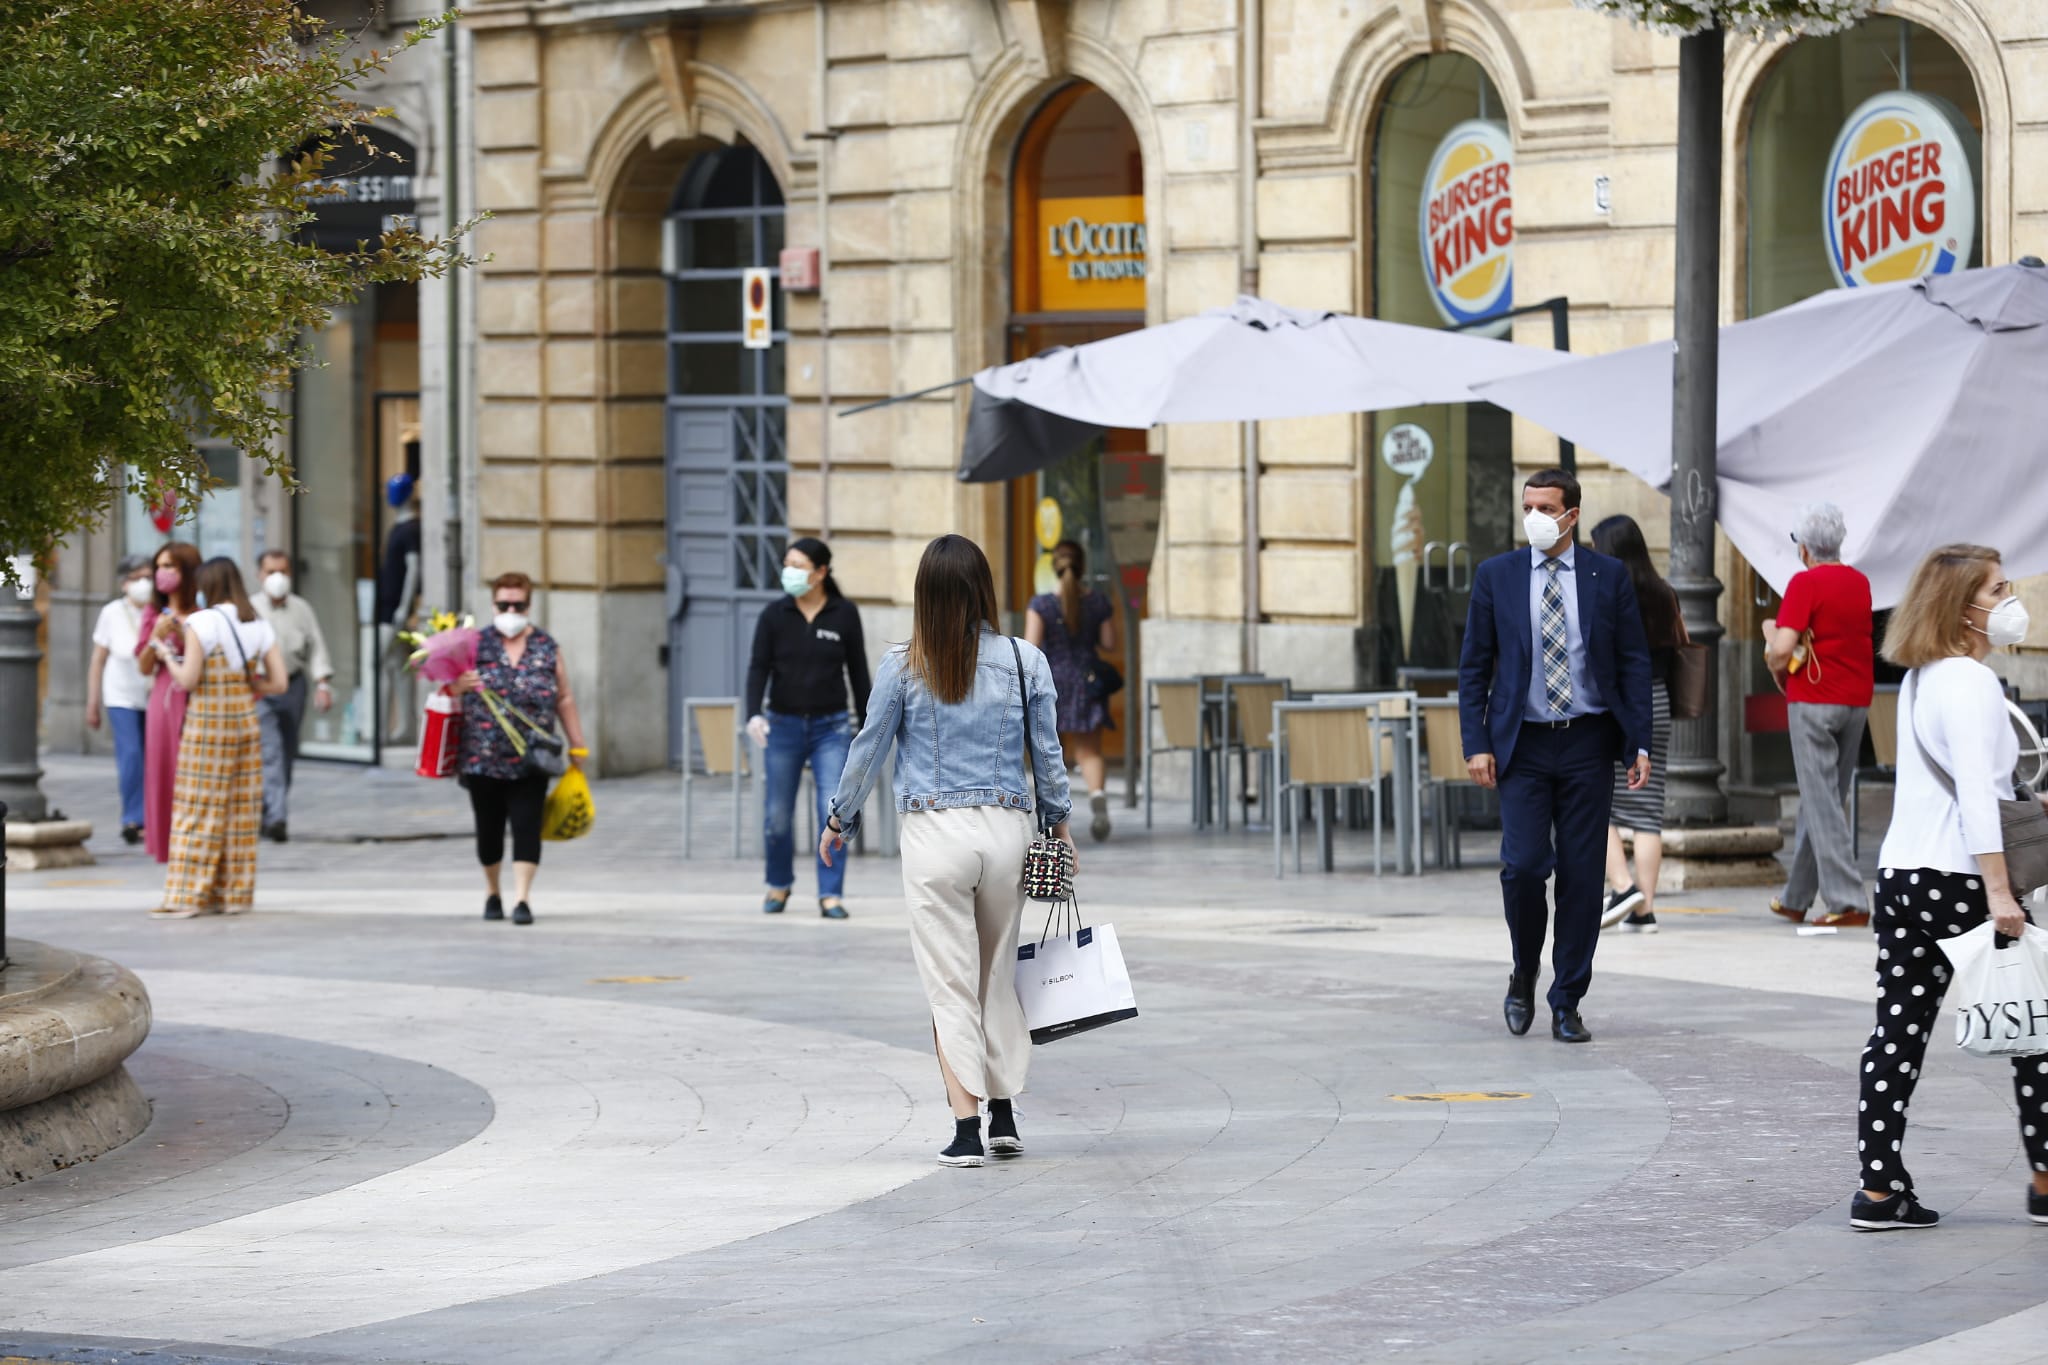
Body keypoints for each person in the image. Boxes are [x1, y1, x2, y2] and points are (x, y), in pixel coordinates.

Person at [822, 534, 1073, 1168]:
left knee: (949, 984)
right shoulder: (1024, 660)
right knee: (996, 977)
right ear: (984, 589)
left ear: (924, 596)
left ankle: (966, 1130)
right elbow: (1047, 754)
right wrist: (1060, 825)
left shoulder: (904, 665)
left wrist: (839, 819)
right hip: (1008, 833)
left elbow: (869, 746)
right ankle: (1006, 1115)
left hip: (935, 837)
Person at [1849, 543, 2048, 1231]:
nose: (2010, 600)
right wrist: (2000, 893)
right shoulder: (1969, 682)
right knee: (2033, 1024)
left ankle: (1879, 1188)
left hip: (1903, 872)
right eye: (1998, 590)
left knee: (1897, 1030)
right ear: (1964, 609)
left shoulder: (1920, 677)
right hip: (1961, 876)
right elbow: (1974, 800)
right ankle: (2046, 1178)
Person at [1458, 469, 1653, 1045]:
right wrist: (1476, 743)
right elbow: (1473, 668)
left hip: (1588, 740)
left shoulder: (1606, 576)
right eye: (1527, 507)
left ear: (1572, 514)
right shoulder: (1496, 576)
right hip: (1523, 742)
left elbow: (1633, 661)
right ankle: (1523, 970)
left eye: (1546, 507)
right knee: (1522, 868)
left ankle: (1567, 998)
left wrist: (1637, 739)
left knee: (1580, 876)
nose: (1534, 517)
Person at [151, 558, 289, 918]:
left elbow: (188, 680)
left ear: (207, 585)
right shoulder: (258, 623)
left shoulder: (203, 621)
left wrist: (166, 654)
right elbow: (278, 683)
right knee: (240, 810)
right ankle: (233, 895)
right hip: (245, 719)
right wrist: (244, 685)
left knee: (196, 808)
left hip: (208, 722)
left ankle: (188, 896)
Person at [449, 572, 588, 926]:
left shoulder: (546, 646)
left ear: (529, 605)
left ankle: (523, 899)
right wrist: (458, 686)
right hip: (482, 756)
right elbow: (448, 692)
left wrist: (578, 744)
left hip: (532, 757)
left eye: (519, 604)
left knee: (527, 825)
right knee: (489, 828)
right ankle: (492, 891)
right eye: (504, 604)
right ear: (493, 604)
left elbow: (565, 696)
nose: (511, 610)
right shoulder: (473, 644)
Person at [744, 537, 871, 919]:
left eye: (798, 565)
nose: (790, 571)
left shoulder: (844, 614)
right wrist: (754, 713)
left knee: (830, 809)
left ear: (820, 573)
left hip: (831, 728)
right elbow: (758, 667)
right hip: (782, 725)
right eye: (788, 564)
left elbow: (859, 672)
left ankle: (830, 894)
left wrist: (868, 728)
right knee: (777, 815)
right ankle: (778, 884)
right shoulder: (774, 615)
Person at [1765, 502, 1876, 928]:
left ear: (1806, 549)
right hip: (1855, 700)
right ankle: (1796, 897)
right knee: (1825, 797)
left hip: (1813, 698)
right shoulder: (1859, 582)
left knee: (1822, 800)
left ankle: (1848, 900)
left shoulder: (1805, 583)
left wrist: (1771, 632)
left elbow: (1781, 649)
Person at [1591, 515, 1684, 934]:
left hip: (1618, 702)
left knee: (1596, 799)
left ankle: (1623, 886)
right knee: (1649, 810)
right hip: (1658, 699)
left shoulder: (1604, 589)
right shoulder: (1664, 592)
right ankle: (1644, 910)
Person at [1024, 540, 1118, 843]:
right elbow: (1109, 643)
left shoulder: (1041, 606)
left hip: (1051, 682)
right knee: (1089, 750)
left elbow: (1030, 648)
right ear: (1083, 566)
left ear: (1055, 567)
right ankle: (1098, 797)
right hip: (1087, 682)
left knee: (1050, 752)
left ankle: (1054, 816)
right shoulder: (1098, 603)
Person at [251, 549, 335, 844]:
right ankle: (277, 817)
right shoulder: (249, 609)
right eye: (271, 571)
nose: (277, 578)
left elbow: (316, 647)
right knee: (270, 751)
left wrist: (322, 684)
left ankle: (269, 808)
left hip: (293, 686)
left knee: (286, 752)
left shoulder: (301, 608)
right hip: (261, 689)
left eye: (283, 571)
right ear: (259, 575)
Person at [134, 541, 203, 864]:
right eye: (159, 567)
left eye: (170, 567)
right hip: (162, 700)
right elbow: (144, 665)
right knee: (163, 770)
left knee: (191, 773)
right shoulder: (152, 613)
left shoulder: (203, 615)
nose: (163, 574)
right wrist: (156, 637)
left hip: (194, 699)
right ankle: (166, 845)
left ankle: (194, 841)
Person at [86, 556, 156, 845]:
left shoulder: (160, 611)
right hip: (120, 696)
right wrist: (93, 702)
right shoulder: (112, 613)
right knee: (131, 756)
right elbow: (98, 659)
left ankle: (154, 817)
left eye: (148, 577)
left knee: (153, 757)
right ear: (124, 583)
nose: (144, 584)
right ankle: (133, 818)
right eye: (137, 578)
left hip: (153, 697)